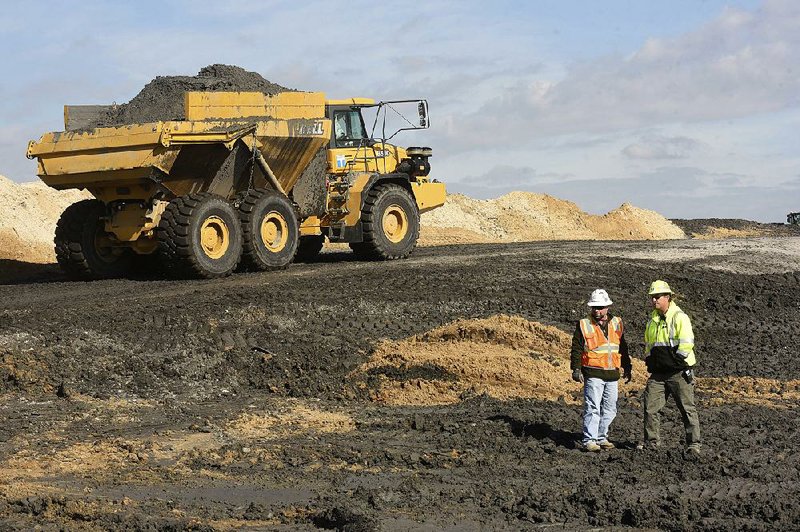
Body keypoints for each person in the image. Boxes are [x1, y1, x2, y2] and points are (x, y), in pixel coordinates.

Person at [639, 280, 701, 456]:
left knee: (687, 408)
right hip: (658, 373)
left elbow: (687, 342)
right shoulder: (653, 320)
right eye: (652, 297)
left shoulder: (679, 317)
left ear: (667, 297)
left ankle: (693, 445)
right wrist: (650, 360)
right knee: (650, 407)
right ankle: (651, 443)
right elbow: (649, 344)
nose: (654, 300)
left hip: (678, 372)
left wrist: (676, 361)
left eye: (657, 297)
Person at [571, 288, 632, 452]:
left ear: (607, 307)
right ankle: (590, 440)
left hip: (612, 373)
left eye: (600, 307)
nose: (597, 311)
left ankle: (601, 436)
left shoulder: (617, 323)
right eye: (594, 308)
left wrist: (627, 366)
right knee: (593, 407)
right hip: (593, 373)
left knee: (611, 409)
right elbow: (576, 348)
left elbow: (622, 347)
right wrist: (576, 368)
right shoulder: (584, 324)